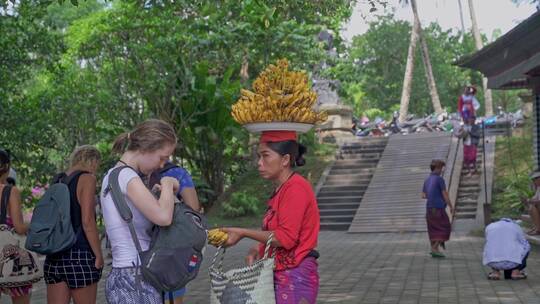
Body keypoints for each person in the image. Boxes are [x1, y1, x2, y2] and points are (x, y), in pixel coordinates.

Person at [221, 130, 320, 304]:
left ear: (285, 160)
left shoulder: (295, 188)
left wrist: (243, 232)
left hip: (294, 278)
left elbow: (285, 238)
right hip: (280, 274)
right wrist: (258, 247)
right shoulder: (281, 188)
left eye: (265, 156)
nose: (259, 163)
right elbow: (277, 231)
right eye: (259, 156)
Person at [101, 119, 179, 304]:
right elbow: (163, 217)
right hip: (134, 277)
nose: (162, 165)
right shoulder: (127, 176)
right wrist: (168, 184)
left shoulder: (113, 175)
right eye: (163, 157)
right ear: (147, 147)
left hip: (124, 276)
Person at [44, 145, 104, 304]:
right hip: (79, 253)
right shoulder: (87, 178)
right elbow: (87, 221)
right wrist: (98, 254)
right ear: (93, 161)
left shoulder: (57, 179)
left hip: (54, 254)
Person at [144, 162, 201, 304]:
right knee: (172, 294)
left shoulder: (131, 172)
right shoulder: (176, 173)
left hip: (140, 246)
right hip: (172, 246)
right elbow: (193, 209)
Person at [0, 149, 31, 304]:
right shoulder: (10, 191)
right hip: (8, 256)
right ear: (7, 167)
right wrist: (33, 224)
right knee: (20, 296)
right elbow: (19, 228)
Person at [422, 159, 454, 258]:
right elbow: (445, 194)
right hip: (438, 208)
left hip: (429, 208)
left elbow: (423, 195)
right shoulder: (439, 179)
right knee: (446, 227)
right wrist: (451, 206)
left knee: (433, 229)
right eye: (441, 168)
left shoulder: (427, 180)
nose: (441, 171)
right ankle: (435, 248)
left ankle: (434, 250)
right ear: (436, 168)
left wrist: (432, 194)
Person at [521, 171, 540, 235]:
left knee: (533, 206)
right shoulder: (538, 188)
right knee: (530, 206)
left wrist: (529, 201)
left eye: (534, 180)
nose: (533, 182)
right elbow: (534, 198)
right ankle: (537, 227)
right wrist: (526, 200)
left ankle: (538, 229)